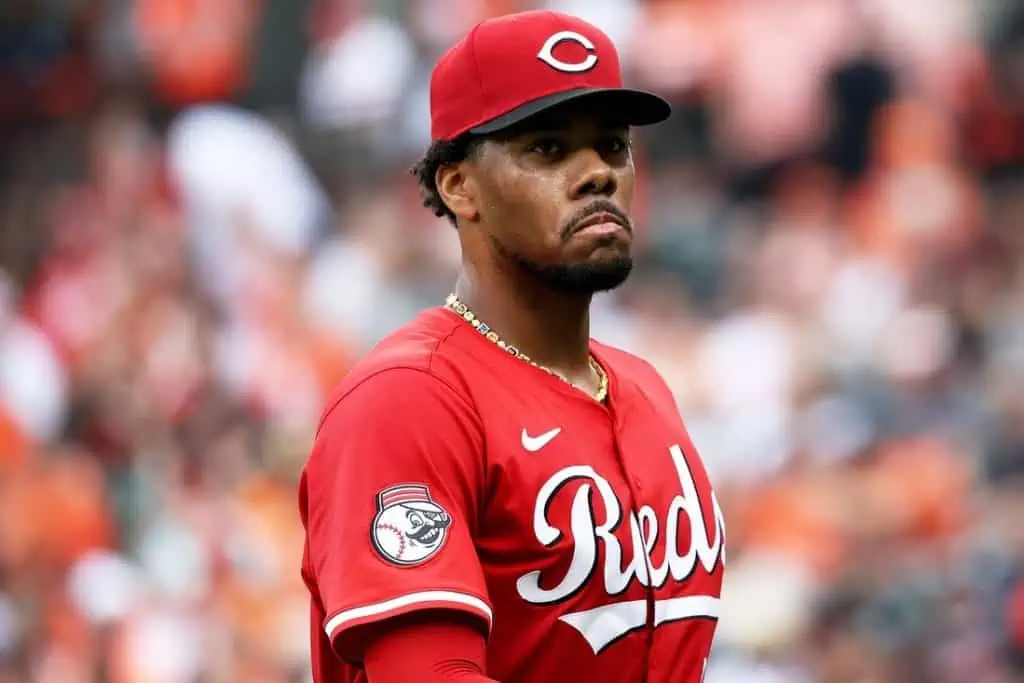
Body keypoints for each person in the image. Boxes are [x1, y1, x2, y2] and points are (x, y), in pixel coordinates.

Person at [299, 9, 726, 683]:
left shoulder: (647, 388)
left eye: (613, 146)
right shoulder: (408, 401)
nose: (598, 174)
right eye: (548, 150)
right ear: (458, 184)